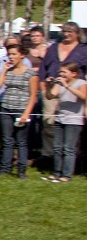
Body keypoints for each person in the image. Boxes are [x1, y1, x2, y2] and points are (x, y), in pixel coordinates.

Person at [37, 21, 87, 169]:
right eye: (64, 31)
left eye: (70, 31)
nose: (66, 34)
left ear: (77, 33)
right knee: (49, 123)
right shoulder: (53, 47)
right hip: (53, 88)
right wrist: (43, 85)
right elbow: (43, 68)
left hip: (75, 90)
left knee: (73, 124)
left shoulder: (83, 49)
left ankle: (71, 158)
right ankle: (49, 155)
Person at [0, 43, 37, 178]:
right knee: (7, 140)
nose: (11, 57)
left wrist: (26, 113)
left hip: (21, 109)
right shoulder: (9, 71)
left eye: (14, 54)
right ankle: (4, 169)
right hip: (6, 108)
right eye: (9, 54)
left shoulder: (31, 73)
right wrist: (4, 71)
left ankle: (21, 170)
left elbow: (33, 95)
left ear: (22, 55)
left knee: (21, 142)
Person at [44, 62, 85, 182]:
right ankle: (57, 172)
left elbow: (84, 96)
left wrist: (66, 86)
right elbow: (50, 96)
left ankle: (67, 175)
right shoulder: (60, 83)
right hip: (60, 118)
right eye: (60, 72)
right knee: (57, 147)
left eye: (64, 72)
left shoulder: (81, 83)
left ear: (74, 73)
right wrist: (48, 86)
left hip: (74, 120)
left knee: (69, 148)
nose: (61, 74)